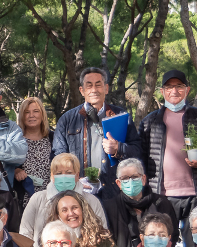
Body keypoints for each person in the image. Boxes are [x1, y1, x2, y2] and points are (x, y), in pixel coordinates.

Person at [138, 70, 197, 238]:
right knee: (164, 243)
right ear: (162, 91)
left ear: (187, 90)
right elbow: (140, 155)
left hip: (195, 194)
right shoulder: (149, 122)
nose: (174, 91)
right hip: (161, 195)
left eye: (179, 86)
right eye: (169, 87)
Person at [52, 68, 143, 198]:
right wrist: (75, 181)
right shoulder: (67, 120)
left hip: (114, 193)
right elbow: (58, 158)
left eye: (98, 85)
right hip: (79, 192)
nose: (94, 90)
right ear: (81, 91)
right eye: (89, 86)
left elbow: (138, 152)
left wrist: (119, 148)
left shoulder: (120, 116)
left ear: (106, 88)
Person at [18, 154, 108, 247]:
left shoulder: (92, 201)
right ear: (52, 176)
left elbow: (102, 232)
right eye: (59, 173)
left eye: (69, 173)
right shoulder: (38, 199)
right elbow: (25, 234)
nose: (64, 176)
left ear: (77, 175)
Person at [101, 158, 181, 247]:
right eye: (125, 178)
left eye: (135, 177)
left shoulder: (161, 203)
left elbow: (172, 234)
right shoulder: (109, 208)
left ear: (143, 179)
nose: (130, 181)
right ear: (119, 183)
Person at [13, 96, 53, 207]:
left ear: (42, 114)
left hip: (51, 199)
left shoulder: (53, 138)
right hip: (25, 201)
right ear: (22, 115)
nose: (31, 115)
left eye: (36, 111)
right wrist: (16, 171)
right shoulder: (15, 139)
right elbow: (7, 164)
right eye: (27, 112)